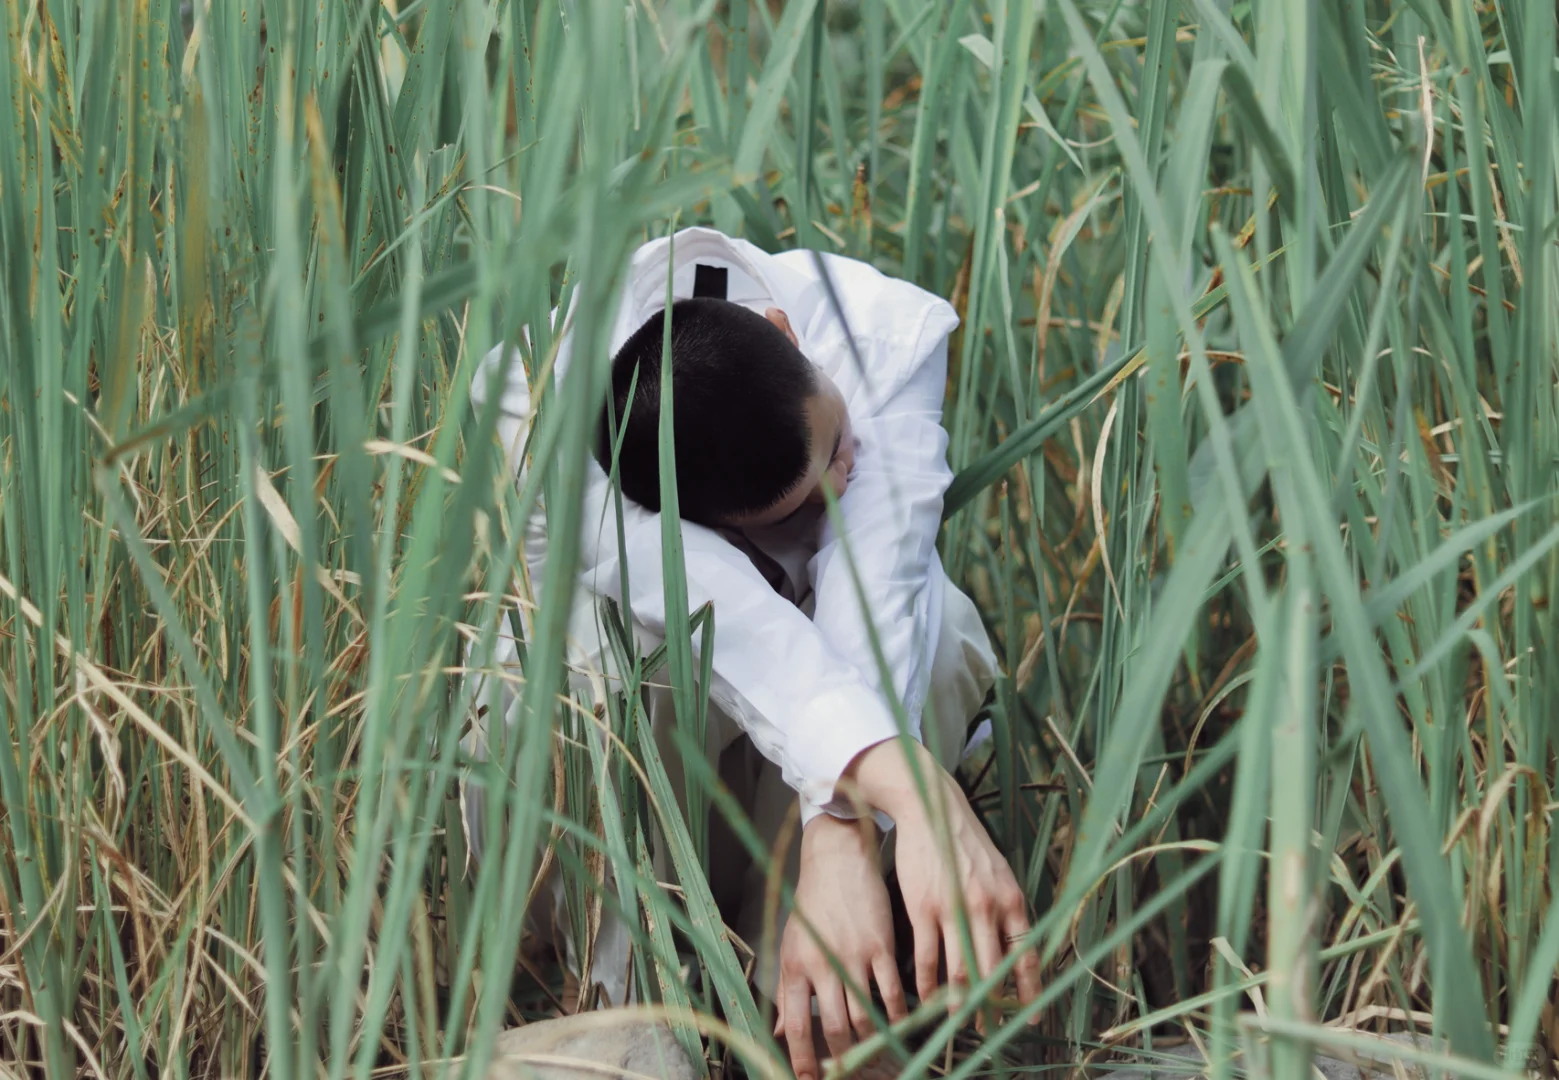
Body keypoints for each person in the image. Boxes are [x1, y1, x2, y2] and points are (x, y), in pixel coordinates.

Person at [466, 227, 1039, 1080]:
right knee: (613, 654)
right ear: (689, 516)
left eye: (839, 443)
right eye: (801, 503)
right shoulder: (533, 421)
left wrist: (837, 837)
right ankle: (634, 998)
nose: (843, 480)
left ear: (782, 329)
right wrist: (917, 796)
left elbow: (877, 586)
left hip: (785, 814)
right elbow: (733, 624)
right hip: (638, 796)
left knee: (937, 623)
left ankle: (811, 1000)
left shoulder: (877, 330)